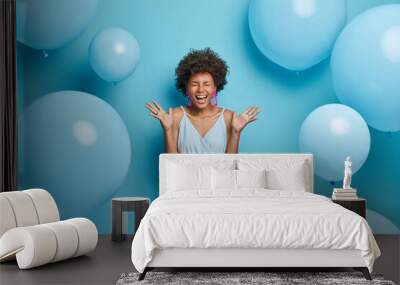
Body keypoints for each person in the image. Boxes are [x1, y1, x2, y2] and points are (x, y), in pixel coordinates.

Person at [145, 48, 259, 153]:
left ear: (215, 87)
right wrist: (168, 129)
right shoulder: (175, 117)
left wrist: (236, 132)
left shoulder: (229, 118)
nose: (200, 90)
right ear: (186, 88)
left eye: (207, 84)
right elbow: (170, 165)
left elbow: (230, 166)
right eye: (194, 84)